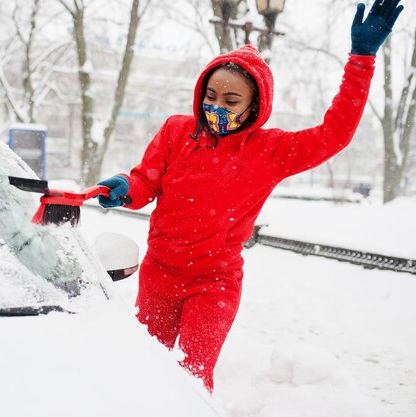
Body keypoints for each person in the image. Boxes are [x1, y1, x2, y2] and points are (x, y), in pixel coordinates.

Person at [96, 0, 403, 393]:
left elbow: (334, 134)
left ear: (253, 105)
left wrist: (361, 59)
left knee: (191, 380)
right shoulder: (177, 131)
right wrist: (125, 188)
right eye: (210, 96)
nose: (215, 108)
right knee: (143, 368)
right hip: (160, 273)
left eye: (230, 101)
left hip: (213, 283)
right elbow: (147, 180)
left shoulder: (270, 151)